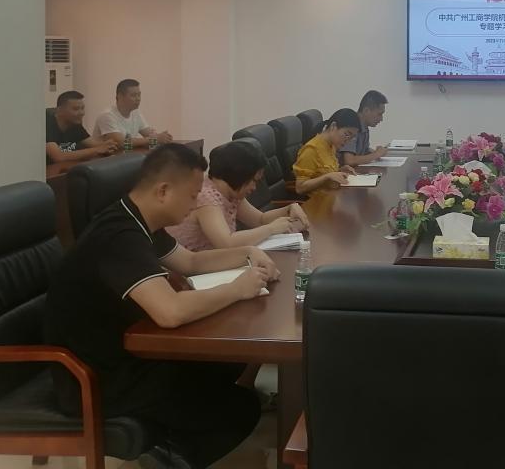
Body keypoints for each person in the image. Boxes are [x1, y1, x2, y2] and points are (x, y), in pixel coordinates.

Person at [45, 144, 274, 469]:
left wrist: (249, 253)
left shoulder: (137, 219)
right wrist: (236, 289)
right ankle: (169, 458)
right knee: (241, 409)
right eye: (192, 196)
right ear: (163, 191)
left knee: (227, 363)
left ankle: (172, 443)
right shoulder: (119, 235)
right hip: (96, 377)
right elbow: (170, 312)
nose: (196, 204)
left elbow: (191, 262)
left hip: (124, 353)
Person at [168, 140, 309, 253]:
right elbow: (226, 243)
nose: (254, 187)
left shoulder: (231, 193)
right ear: (239, 175)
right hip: (190, 273)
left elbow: (259, 220)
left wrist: (288, 209)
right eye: (253, 181)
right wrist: (271, 229)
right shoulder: (207, 198)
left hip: (214, 263)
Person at [293, 108, 361, 194]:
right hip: (318, 200)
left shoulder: (331, 145)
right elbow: (300, 188)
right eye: (347, 134)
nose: (348, 141)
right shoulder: (311, 149)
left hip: (331, 196)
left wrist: (341, 170)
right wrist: (326, 177)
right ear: (333, 126)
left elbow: (323, 172)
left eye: (351, 138)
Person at [94, 79, 173, 149]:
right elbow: (121, 143)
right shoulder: (107, 115)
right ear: (120, 96)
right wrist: (154, 139)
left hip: (126, 156)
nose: (138, 99)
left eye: (139, 95)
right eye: (133, 95)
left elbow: (149, 134)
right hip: (105, 159)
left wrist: (162, 137)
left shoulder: (135, 112)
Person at [46, 90, 118, 163]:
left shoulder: (74, 123)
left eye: (82, 108)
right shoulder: (47, 123)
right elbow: (59, 157)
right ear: (59, 110)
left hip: (67, 167)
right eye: (76, 109)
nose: (81, 113)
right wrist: (97, 149)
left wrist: (108, 145)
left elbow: (94, 144)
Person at [339, 90, 389, 166]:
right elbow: (349, 161)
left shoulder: (364, 126)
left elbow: (363, 151)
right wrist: (376, 154)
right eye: (379, 114)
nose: (381, 119)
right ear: (366, 110)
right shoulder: (352, 126)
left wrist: (377, 152)